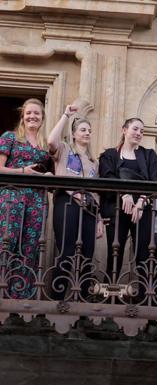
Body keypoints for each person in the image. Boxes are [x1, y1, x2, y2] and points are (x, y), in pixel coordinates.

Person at [47, 104, 104, 301]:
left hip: (89, 208)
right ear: (73, 134)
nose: (87, 133)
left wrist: (99, 219)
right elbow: (51, 140)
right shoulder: (64, 149)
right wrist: (65, 115)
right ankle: (57, 300)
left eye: (89, 130)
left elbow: (96, 192)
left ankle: (83, 304)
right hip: (67, 202)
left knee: (87, 256)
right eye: (82, 130)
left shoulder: (93, 161)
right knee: (67, 252)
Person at [98, 118, 157, 287]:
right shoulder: (109, 155)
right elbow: (107, 177)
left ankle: (144, 296)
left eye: (142, 131)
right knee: (115, 252)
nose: (139, 133)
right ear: (124, 129)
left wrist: (141, 202)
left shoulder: (149, 155)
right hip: (116, 210)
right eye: (135, 129)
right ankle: (110, 295)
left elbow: (154, 182)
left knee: (144, 254)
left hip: (142, 211)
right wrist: (124, 193)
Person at [0, 98, 50, 299]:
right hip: (12, 196)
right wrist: (23, 171)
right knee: (6, 242)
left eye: (37, 113)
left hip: (37, 200)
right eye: (29, 113)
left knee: (30, 247)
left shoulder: (44, 145)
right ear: (22, 115)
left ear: (42, 118)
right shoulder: (10, 137)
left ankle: (20, 297)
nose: (32, 116)